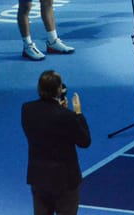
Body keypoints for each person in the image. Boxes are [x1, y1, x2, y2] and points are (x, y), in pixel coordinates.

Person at [22, 70, 91, 215]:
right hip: (64, 181)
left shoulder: (27, 109)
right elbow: (85, 141)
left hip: (39, 178)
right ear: (59, 90)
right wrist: (77, 113)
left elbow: (47, 125)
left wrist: (62, 111)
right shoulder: (67, 117)